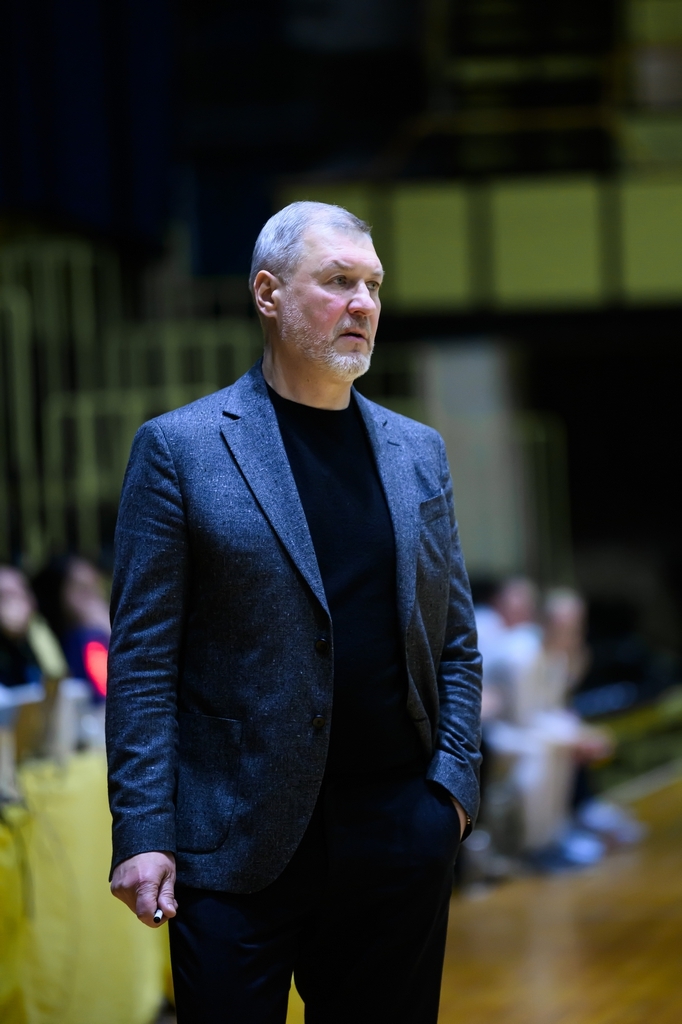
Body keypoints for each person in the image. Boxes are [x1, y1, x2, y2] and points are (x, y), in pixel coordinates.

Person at [106, 201, 482, 1024]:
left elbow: (454, 641)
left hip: (398, 833)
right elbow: (141, 664)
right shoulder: (180, 448)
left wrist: (450, 794)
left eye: (373, 285)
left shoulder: (419, 451)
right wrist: (142, 830)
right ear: (268, 294)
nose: (363, 304)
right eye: (338, 281)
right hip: (233, 841)